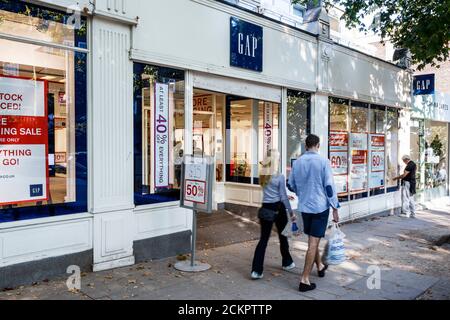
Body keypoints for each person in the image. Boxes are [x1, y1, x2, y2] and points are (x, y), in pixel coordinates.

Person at [288, 134, 340, 292]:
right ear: (318, 145)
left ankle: (319, 266)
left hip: (304, 207)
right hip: (319, 208)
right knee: (312, 244)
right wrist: (335, 208)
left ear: (306, 146)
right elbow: (329, 187)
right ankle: (304, 280)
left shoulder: (297, 162)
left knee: (313, 241)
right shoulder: (323, 161)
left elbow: (290, 184)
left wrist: (301, 192)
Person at [251, 149, 296, 280]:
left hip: (265, 209)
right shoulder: (279, 176)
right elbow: (282, 196)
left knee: (263, 240)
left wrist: (285, 196)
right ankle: (287, 262)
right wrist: (291, 212)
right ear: (276, 160)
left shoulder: (262, 175)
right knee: (283, 236)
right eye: (279, 158)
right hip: (278, 208)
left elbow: (271, 192)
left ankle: (256, 270)